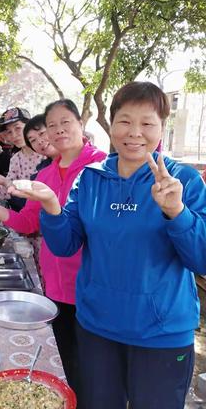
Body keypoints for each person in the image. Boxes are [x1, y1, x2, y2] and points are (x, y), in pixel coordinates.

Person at [35, 82, 206, 409]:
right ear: (110, 125)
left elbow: (202, 259)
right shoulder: (91, 178)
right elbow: (65, 244)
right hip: (98, 327)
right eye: (125, 121)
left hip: (161, 334)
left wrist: (176, 212)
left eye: (147, 123)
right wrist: (51, 208)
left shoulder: (181, 180)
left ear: (161, 128)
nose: (135, 132)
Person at [0, 101, 106, 404]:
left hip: (93, 287)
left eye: (64, 122)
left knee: (96, 371)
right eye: (51, 126)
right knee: (66, 360)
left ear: (80, 123)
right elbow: (28, 222)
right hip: (54, 284)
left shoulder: (103, 168)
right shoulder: (44, 176)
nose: (57, 131)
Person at [0, 107, 45, 210]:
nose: (14, 135)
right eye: (9, 132)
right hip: (23, 214)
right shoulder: (15, 159)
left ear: (29, 127)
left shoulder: (46, 154)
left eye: (18, 128)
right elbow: (9, 188)